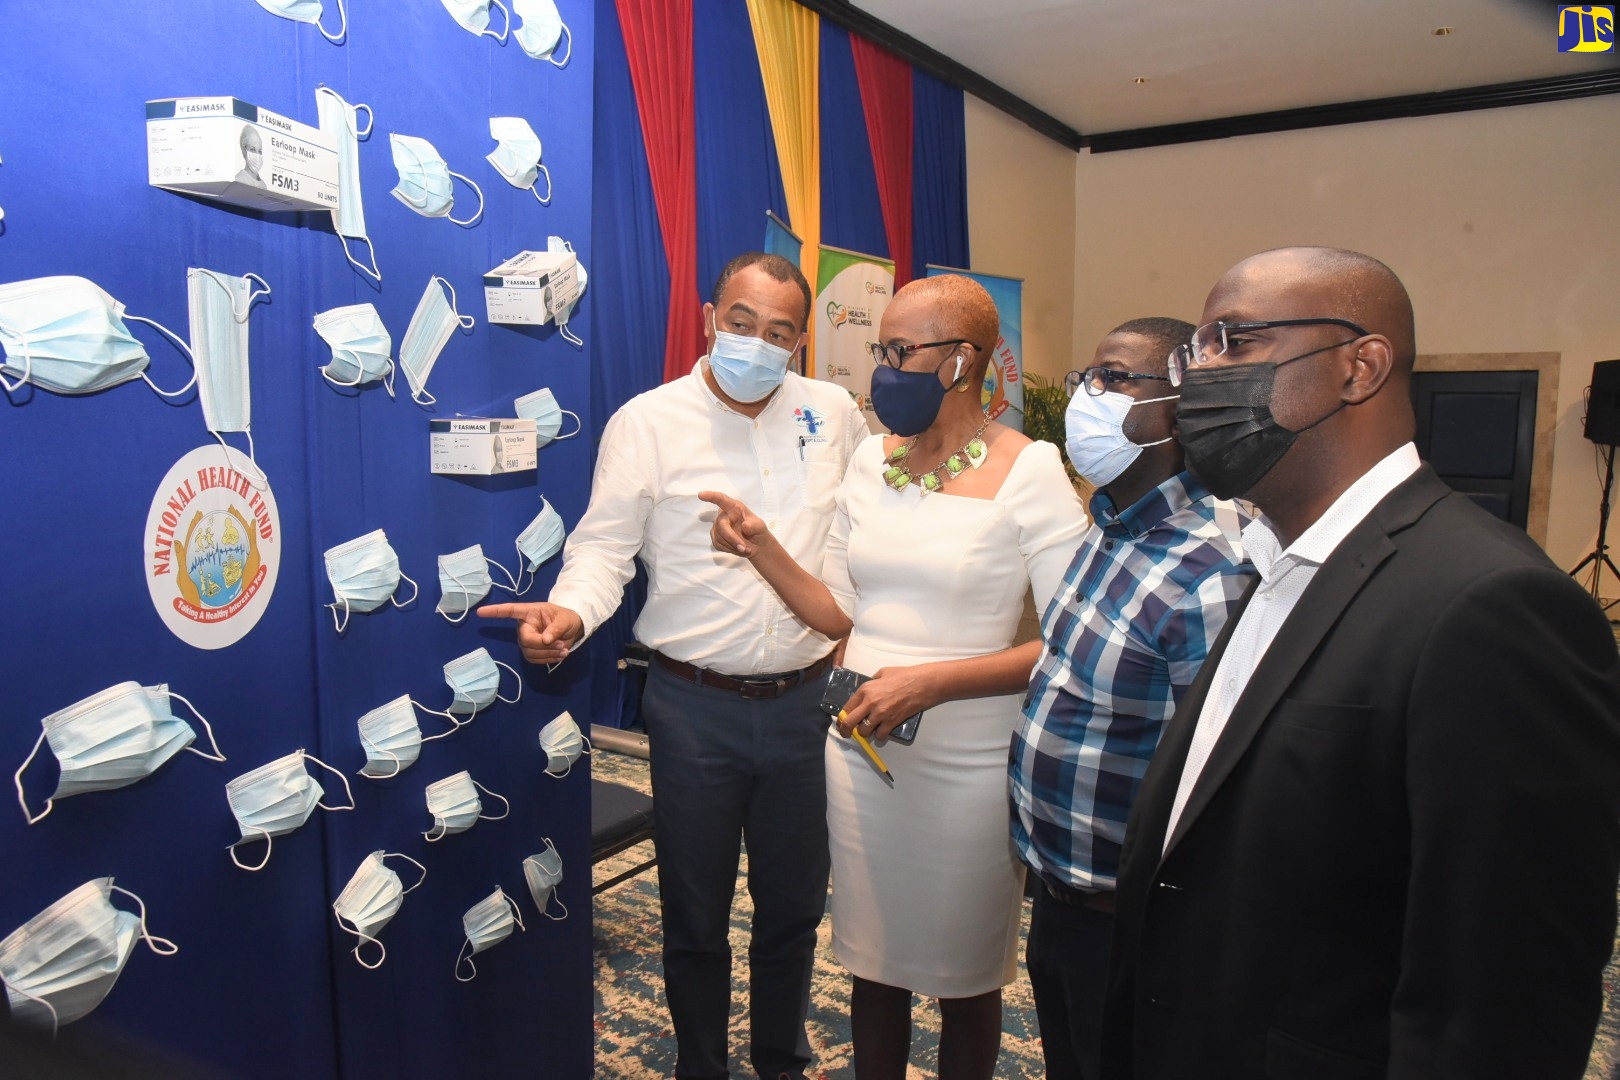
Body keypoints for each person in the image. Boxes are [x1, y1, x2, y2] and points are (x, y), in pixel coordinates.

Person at [1100, 246, 1620, 1078]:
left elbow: (1500, 1002)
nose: (1199, 376)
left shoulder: (1494, 607)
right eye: (1194, 350)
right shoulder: (1272, 559)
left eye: (1233, 341)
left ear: (1360, 366)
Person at [480, 253, 867, 1080]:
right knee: (694, 911)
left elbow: (856, 548)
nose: (757, 344)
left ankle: (779, 1059)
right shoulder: (648, 422)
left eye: (779, 333)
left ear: (801, 343)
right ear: (706, 318)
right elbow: (603, 551)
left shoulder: (834, 413)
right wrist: (572, 612)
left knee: (794, 909)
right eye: (741, 322)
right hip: (695, 708)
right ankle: (701, 1065)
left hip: (806, 703)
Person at [702, 274, 1087, 1080]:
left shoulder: (1032, 469)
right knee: (871, 962)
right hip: (860, 753)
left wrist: (931, 683)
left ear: (962, 361)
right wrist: (762, 547)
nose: (883, 368)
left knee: (964, 976)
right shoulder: (873, 463)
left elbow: (1072, 644)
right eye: (883, 348)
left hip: (969, 763)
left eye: (900, 351)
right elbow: (840, 613)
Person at [1008, 318, 1253, 1080]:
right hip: (1060, 894)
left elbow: (1219, 783)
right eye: (1090, 377)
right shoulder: (1109, 526)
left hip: (1133, 924)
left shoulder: (1211, 569)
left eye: (1115, 379)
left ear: (1178, 409)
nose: (1088, 395)